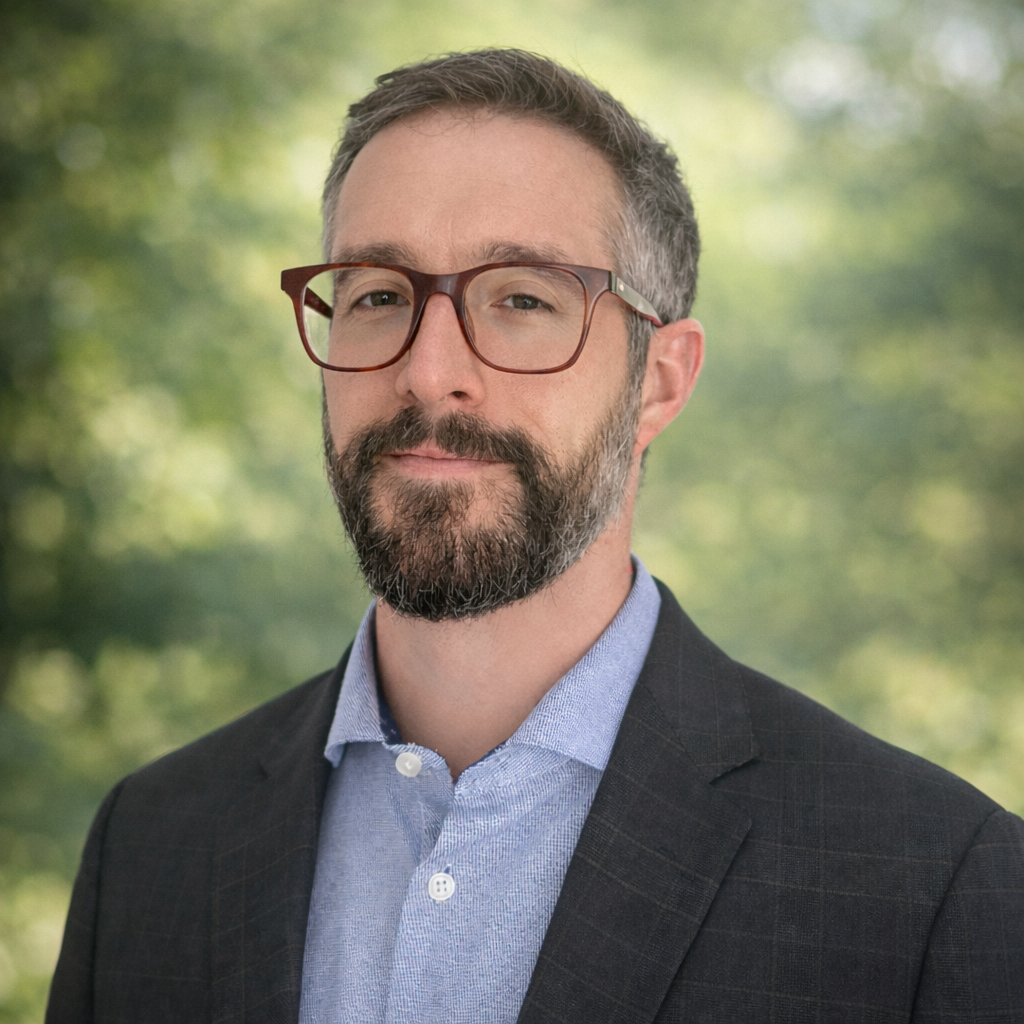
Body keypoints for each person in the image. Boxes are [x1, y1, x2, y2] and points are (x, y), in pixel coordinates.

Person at [47, 49, 1023, 1024]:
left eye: (522, 299)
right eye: (378, 293)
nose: (429, 372)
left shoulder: (934, 886)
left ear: (658, 383)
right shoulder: (151, 845)